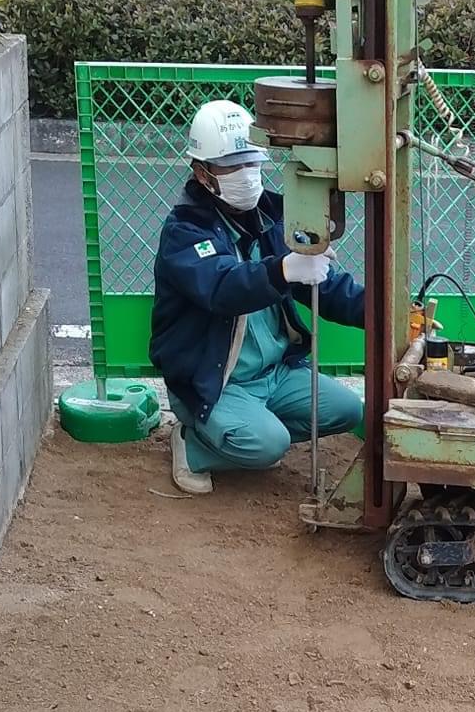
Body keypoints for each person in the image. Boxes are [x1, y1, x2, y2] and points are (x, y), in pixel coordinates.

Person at [151, 100, 366, 496]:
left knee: (347, 410)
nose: (246, 174)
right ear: (202, 173)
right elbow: (222, 287)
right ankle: (193, 446)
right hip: (214, 381)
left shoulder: (272, 213)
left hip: (275, 372)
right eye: (232, 165)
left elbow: (326, 286)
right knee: (268, 446)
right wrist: (282, 269)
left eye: (251, 161)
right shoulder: (185, 231)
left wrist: (383, 310)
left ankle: (250, 429)